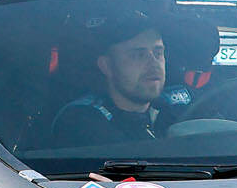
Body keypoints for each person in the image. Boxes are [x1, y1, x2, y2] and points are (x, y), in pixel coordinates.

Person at [50, 15, 184, 144]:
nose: (154, 64)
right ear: (107, 66)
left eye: (158, 53)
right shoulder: (82, 121)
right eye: (139, 55)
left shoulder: (179, 104)